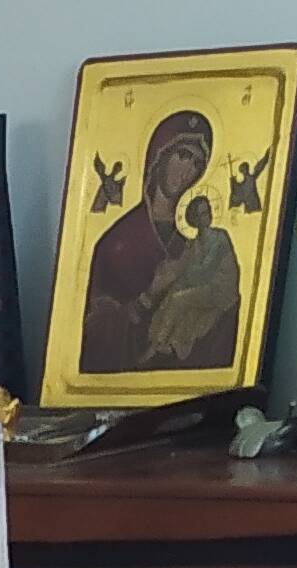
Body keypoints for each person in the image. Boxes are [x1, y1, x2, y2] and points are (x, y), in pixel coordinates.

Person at [80, 107, 242, 376]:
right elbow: (92, 332)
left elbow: (228, 303)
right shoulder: (116, 242)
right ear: (160, 157)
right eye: (183, 156)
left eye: (197, 164)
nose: (188, 170)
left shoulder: (198, 238)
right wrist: (149, 295)